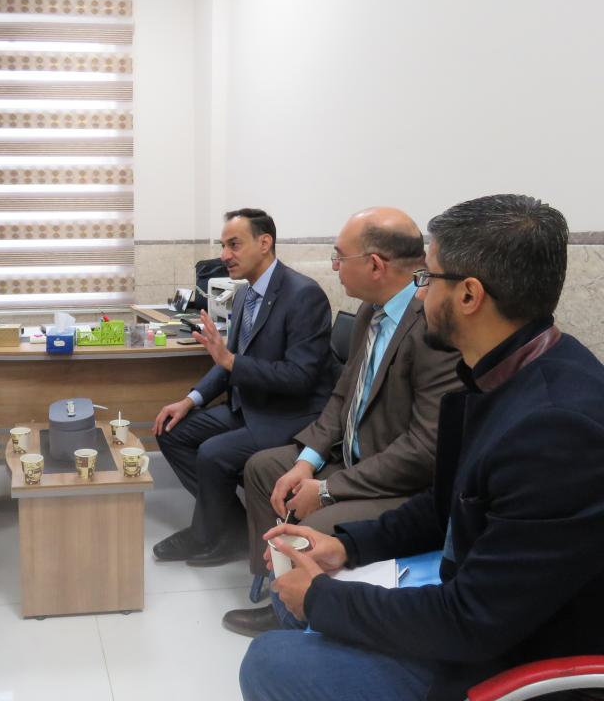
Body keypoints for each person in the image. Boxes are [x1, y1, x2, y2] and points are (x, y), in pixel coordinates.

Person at [239, 194, 604, 701]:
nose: (419, 292)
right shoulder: (500, 374)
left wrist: (323, 600)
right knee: (295, 591)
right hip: (473, 602)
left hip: (504, 657)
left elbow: (472, 621)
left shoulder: (556, 430)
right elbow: (446, 505)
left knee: (271, 660)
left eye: (427, 278)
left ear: (469, 295)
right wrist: (347, 547)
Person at [223, 207, 461, 636]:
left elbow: (424, 449)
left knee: (312, 528)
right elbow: (342, 397)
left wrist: (327, 490)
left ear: (375, 265)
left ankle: (301, 614)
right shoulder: (371, 311)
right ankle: (279, 587)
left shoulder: (432, 328)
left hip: (397, 483)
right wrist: (307, 462)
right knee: (263, 468)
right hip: (349, 456)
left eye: (339, 257)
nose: (334, 268)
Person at [151, 209, 336, 566]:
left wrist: (231, 362)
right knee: (170, 430)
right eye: (223, 246)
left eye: (233, 245)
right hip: (250, 407)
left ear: (264, 243)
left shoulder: (303, 295)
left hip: (288, 415)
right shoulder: (245, 294)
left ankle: (206, 533)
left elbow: (300, 377)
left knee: (213, 453)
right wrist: (189, 400)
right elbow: (228, 361)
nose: (224, 255)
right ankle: (229, 527)